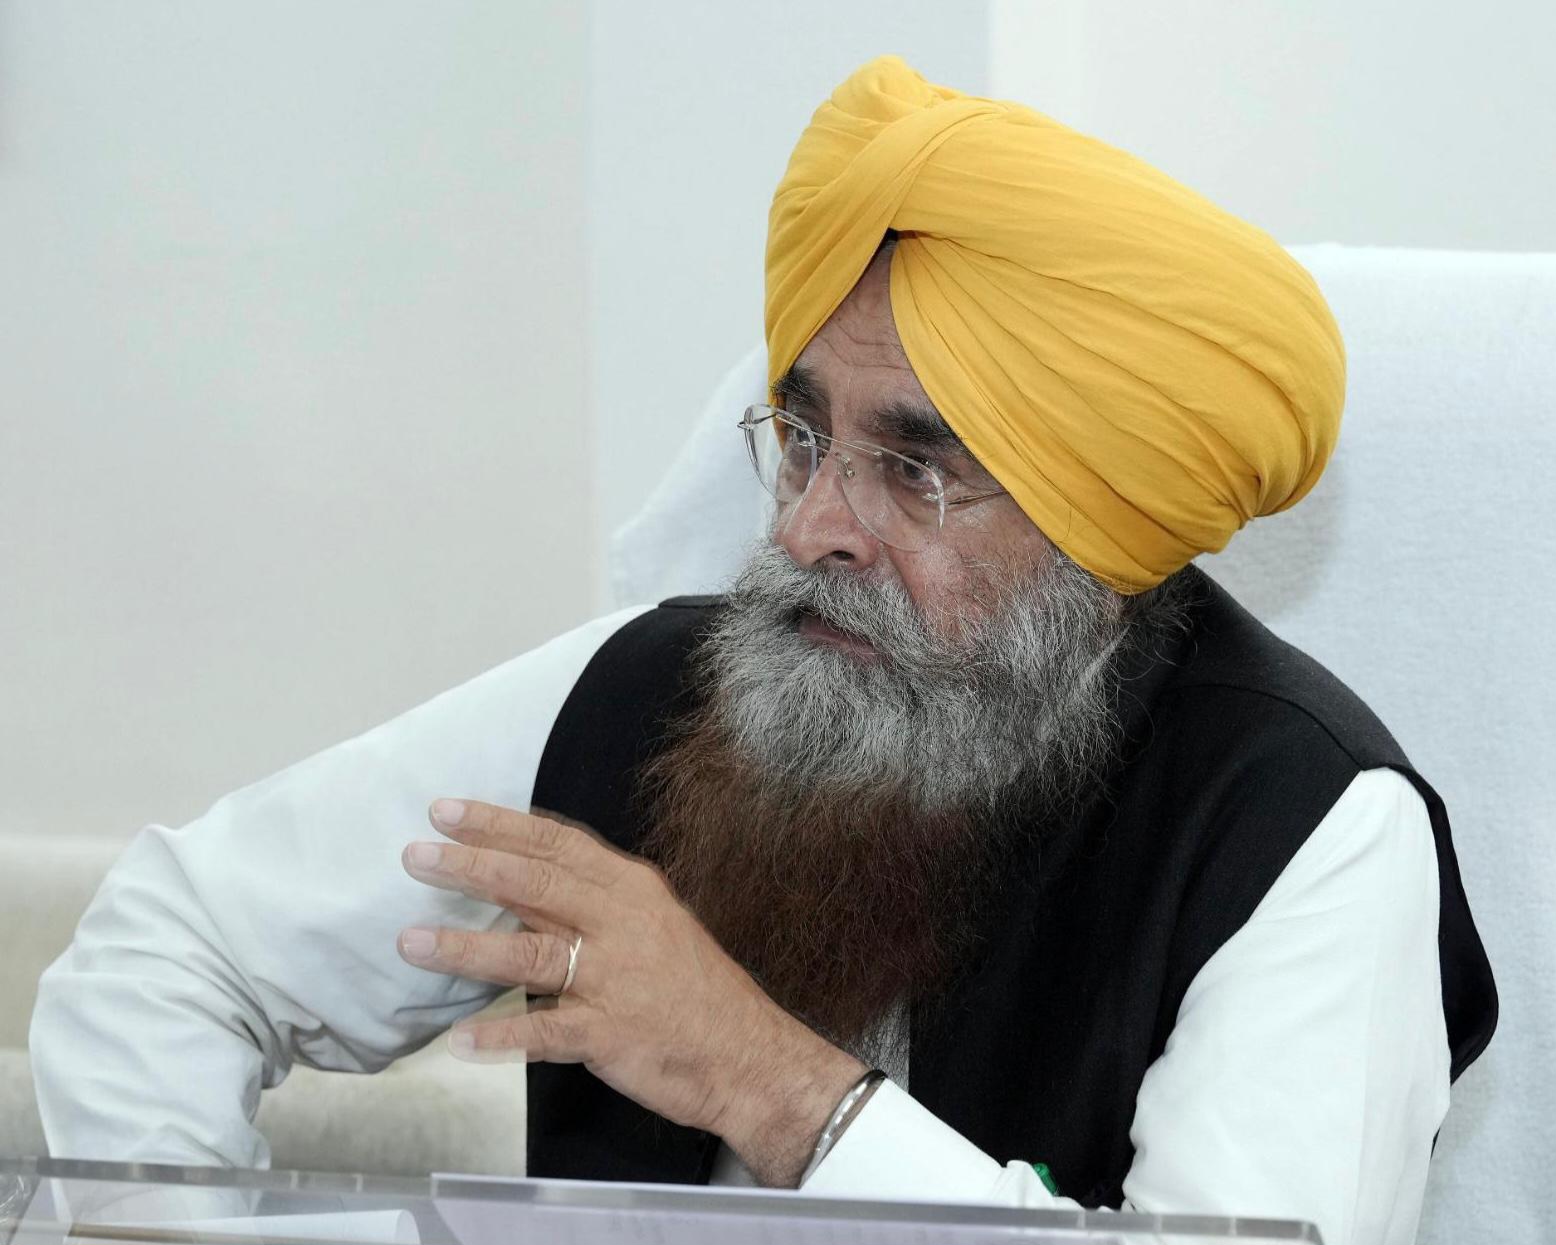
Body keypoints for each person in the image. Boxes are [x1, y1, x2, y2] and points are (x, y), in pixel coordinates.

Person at [31, 55, 1495, 1245]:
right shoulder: (667, 691)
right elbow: (174, 947)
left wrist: (774, 1083)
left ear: (1100, 532)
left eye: (913, 470)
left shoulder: (1304, 829)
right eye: (802, 437)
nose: (811, 527)